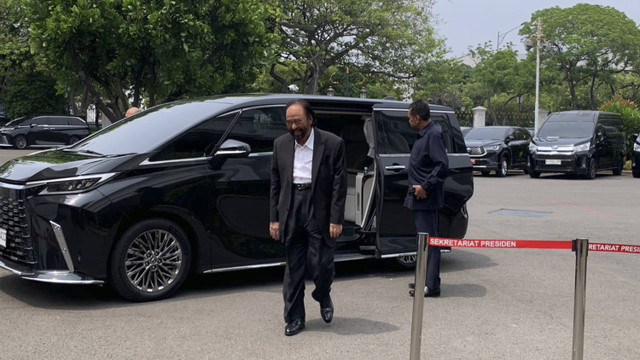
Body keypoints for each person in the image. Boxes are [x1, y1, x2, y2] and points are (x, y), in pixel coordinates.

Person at [269, 99, 347, 336]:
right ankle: (294, 318)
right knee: (294, 268)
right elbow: (275, 183)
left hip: (318, 209)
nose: (294, 127)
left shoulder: (333, 144)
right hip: (291, 207)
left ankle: (323, 294)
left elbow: (339, 184)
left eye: (298, 122)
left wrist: (336, 218)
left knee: (322, 264)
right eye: (290, 122)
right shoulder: (280, 144)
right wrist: (274, 218)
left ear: (311, 120)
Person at [405, 100, 449, 298]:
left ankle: (431, 286)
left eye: (409, 117)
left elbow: (442, 165)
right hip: (419, 196)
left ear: (417, 117)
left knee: (429, 242)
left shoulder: (434, 134)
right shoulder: (424, 134)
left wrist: (426, 186)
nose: (409, 121)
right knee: (423, 242)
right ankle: (425, 280)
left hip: (427, 198)